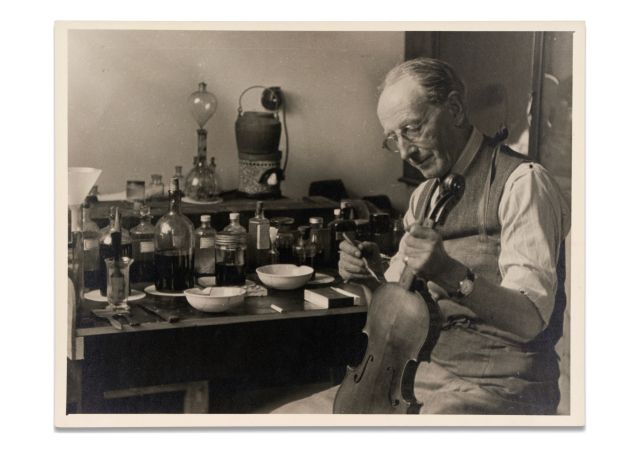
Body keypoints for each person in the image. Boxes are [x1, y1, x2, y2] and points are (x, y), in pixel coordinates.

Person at [272, 57, 570, 415]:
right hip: (423, 377)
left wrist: (448, 272)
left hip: (499, 390)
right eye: (393, 139)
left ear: (456, 109)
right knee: (284, 422)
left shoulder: (523, 183)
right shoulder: (425, 194)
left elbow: (530, 319)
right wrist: (369, 275)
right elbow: (399, 316)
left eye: (412, 129)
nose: (404, 152)